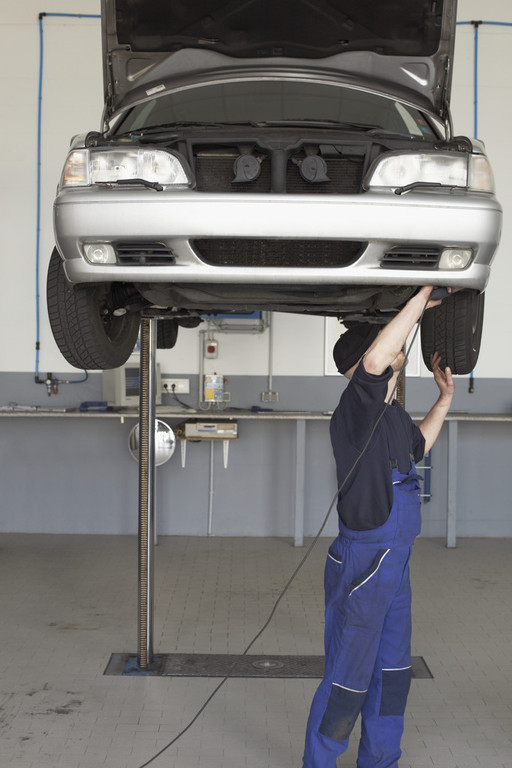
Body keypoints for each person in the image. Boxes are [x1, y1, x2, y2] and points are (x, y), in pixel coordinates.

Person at [302, 286, 455, 768]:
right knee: (348, 677)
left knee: (392, 673)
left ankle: (380, 760)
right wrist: (421, 294)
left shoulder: (389, 413)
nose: (396, 358)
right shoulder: (356, 408)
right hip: (366, 562)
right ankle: (319, 762)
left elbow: (418, 447)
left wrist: (445, 399)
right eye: (387, 355)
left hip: (396, 563)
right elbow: (377, 360)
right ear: (364, 365)